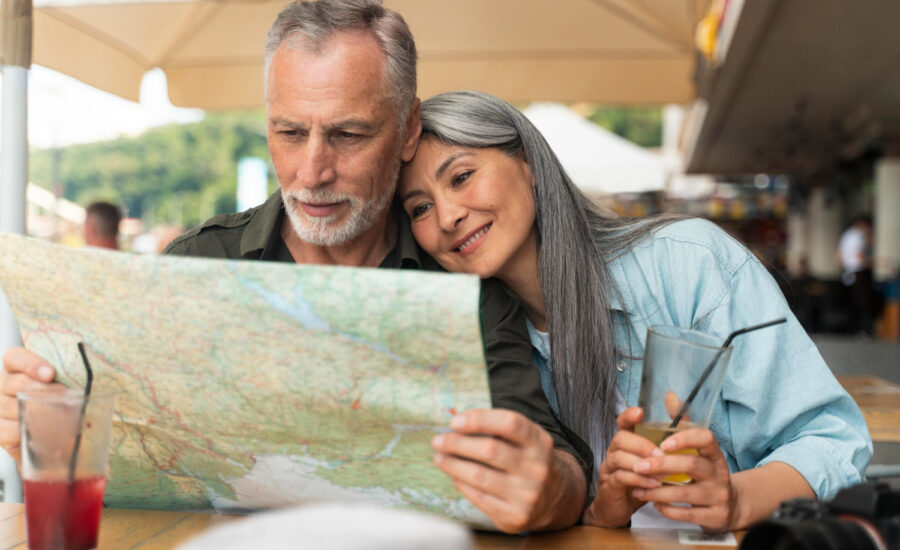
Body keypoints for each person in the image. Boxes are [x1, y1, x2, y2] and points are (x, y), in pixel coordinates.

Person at [0, 1, 591, 533]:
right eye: (288, 132)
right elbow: (121, 459)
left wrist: (550, 490)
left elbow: (561, 466)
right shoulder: (200, 262)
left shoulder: (463, 284)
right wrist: (43, 416)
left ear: (408, 130)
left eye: (348, 134)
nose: (312, 171)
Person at [397, 90, 872, 532]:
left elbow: (833, 439)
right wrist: (603, 511)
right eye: (419, 209)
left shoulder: (688, 263)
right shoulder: (472, 345)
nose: (447, 216)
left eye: (461, 177)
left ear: (528, 161)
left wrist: (736, 499)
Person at [838, 215, 879, 334]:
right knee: (864, 302)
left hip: (847, 272)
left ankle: (852, 329)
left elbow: (839, 257)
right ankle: (864, 330)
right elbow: (860, 256)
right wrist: (874, 263)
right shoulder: (858, 235)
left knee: (852, 302)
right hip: (858, 272)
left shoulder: (846, 235)